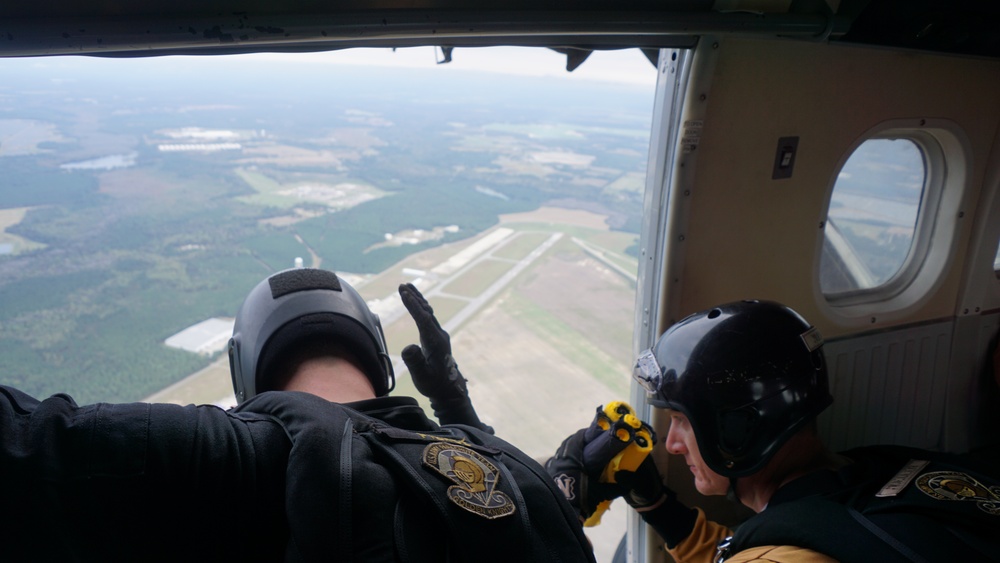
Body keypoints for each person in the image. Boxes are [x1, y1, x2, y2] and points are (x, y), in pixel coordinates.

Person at [0, 267, 593, 563]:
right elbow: (463, 492)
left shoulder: (224, 460)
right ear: (378, 359)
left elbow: (23, 451)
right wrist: (456, 409)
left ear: (247, 370)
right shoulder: (517, 479)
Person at [545, 299, 1000, 563]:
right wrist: (657, 505)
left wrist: (558, 516)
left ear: (739, 429)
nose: (671, 442)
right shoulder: (875, 473)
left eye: (682, 420)